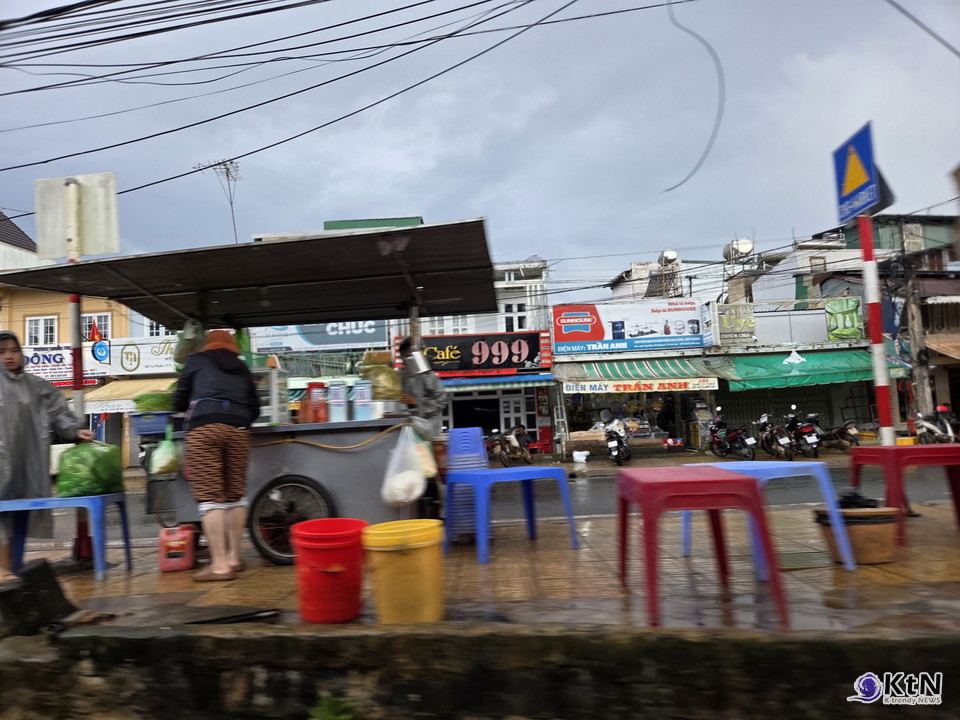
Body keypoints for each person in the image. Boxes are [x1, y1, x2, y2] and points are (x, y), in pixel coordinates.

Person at [0, 330, 95, 581]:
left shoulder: (37, 386)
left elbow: (59, 411)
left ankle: (14, 572)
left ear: (22, 353)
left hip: (27, 464)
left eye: (13, 350)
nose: (8, 356)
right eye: (1, 352)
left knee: (19, 515)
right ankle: (5, 570)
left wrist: (76, 429)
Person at [173, 330, 260, 582]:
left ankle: (220, 566)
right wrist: (236, 419)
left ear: (206, 344)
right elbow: (255, 407)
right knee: (235, 495)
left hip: (205, 429)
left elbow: (178, 400)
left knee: (211, 499)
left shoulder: (196, 361)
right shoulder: (242, 368)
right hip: (239, 430)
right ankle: (234, 557)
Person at [398, 337, 447, 438]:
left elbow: (441, 401)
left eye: (411, 352)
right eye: (406, 353)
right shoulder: (400, 376)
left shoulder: (429, 375)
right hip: (406, 431)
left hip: (429, 431)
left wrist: (416, 402)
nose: (408, 356)